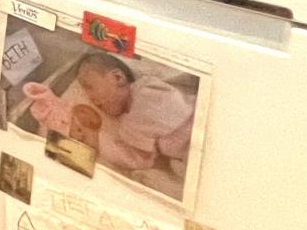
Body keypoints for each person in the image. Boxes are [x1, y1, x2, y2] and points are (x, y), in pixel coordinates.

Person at [20, 51, 194, 188]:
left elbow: (177, 106)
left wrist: (98, 140)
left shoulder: (147, 90)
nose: (92, 99)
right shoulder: (127, 125)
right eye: (86, 94)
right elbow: (139, 158)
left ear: (118, 77)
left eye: (90, 86)